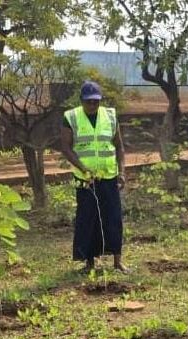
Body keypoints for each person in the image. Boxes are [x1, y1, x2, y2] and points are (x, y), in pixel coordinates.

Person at [60, 81, 128, 273]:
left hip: (108, 176)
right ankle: (89, 262)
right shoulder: (71, 117)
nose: (92, 105)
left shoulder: (111, 116)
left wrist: (121, 171)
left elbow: (119, 147)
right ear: (81, 101)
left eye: (96, 102)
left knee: (113, 218)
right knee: (88, 218)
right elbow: (66, 147)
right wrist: (83, 169)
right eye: (88, 102)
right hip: (85, 179)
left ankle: (117, 261)